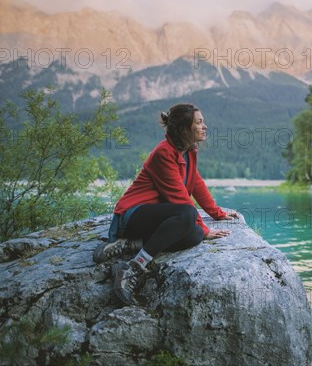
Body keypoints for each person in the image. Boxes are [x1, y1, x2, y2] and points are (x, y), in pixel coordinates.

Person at [93, 103, 239, 305]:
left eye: (203, 122)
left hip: (155, 217)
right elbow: (180, 199)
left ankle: (130, 244)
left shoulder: (187, 152)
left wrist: (216, 214)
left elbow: (196, 183)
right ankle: (134, 267)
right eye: (199, 122)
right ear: (184, 128)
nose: (205, 126)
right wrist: (206, 228)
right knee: (188, 215)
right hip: (133, 215)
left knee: (194, 235)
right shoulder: (164, 153)